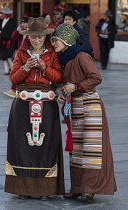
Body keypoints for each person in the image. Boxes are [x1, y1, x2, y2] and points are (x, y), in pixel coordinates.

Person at [51, 23, 117, 203]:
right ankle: (77, 187)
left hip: (89, 106)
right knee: (77, 150)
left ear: (66, 40)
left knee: (91, 150)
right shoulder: (65, 59)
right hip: (76, 107)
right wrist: (63, 93)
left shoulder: (81, 56)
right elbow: (68, 84)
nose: (54, 43)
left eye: (56, 39)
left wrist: (77, 86)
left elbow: (96, 78)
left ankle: (89, 188)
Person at [4, 17, 64, 200]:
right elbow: (14, 79)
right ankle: (23, 188)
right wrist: (25, 68)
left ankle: (44, 189)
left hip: (47, 103)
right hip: (23, 104)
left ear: (45, 36)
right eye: (33, 37)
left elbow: (58, 78)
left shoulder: (52, 54)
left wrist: (45, 68)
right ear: (28, 37)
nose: (36, 40)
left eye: (40, 37)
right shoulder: (21, 53)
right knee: (21, 146)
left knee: (46, 146)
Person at [3, 16, 30, 98]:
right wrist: (17, 30)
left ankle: (17, 89)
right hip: (19, 55)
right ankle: (14, 89)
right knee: (16, 72)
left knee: (21, 73)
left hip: (27, 56)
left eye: (25, 23)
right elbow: (13, 38)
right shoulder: (21, 33)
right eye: (22, 22)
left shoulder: (31, 33)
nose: (23, 24)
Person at [0, 7, 17, 75]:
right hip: (2, 41)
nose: (4, 15)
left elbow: (14, 31)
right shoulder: (0, 21)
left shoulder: (12, 22)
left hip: (10, 41)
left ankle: (12, 69)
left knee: (9, 56)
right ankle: (6, 70)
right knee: (4, 57)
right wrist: (0, 33)